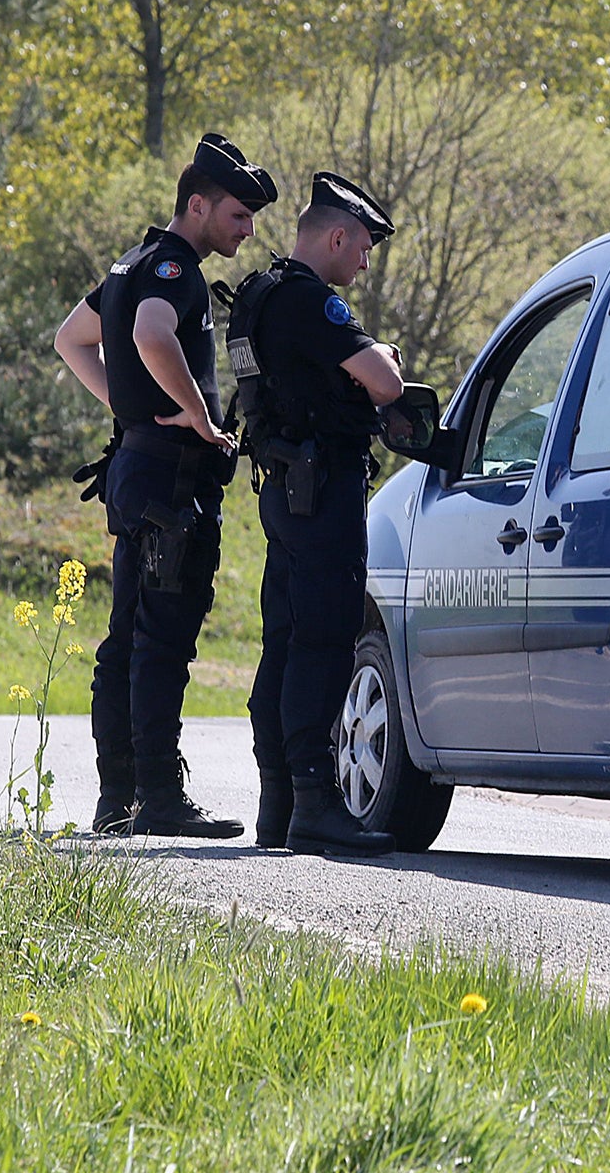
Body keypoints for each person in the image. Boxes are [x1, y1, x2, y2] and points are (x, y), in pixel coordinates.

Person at [52, 132, 277, 838]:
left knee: (126, 638)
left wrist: (127, 407)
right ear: (198, 204)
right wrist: (201, 418)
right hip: (171, 481)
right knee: (162, 640)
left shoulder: (132, 261)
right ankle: (157, 798)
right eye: (238, 216)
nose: (246, 230)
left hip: (136, 470)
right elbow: (153, 333)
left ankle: (117, 798)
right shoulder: (174, 270)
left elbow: (71, 338)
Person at [226, 172, 402, 858]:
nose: (363, 262)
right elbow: (384, 384)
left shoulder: (257, 296)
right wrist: (382, 353)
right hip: (322, 489)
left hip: (281, 488)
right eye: (361, 248)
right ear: (335, 237)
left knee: (286, 640)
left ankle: (280, 803)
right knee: (325, 642)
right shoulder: (309, 303)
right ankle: (316, 804)